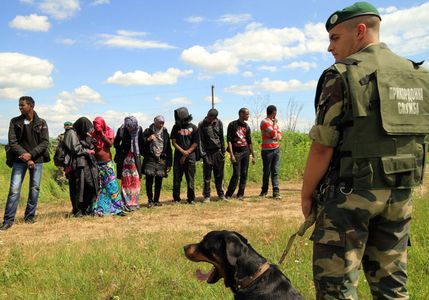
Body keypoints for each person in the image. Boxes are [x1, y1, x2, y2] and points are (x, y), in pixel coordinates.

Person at [300, 2, 429, 299]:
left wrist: (307, 194)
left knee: (337, 289)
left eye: (335, 38)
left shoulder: (341, 74)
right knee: (392, 286)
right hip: (399, 196)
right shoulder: (418, 75)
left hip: (349, 199)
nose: (329, 48)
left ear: (359, 31)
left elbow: (322, 147)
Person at [0, 96, 50, 231]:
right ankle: (8, 220)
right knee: (14, 190)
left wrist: (32, 155)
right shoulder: (14, 121)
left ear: (31, 106)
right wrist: (27, 158)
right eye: (19, 105)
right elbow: (13, 142)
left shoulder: (42, 123)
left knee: (35, 189)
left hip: (37, 160)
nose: (20, 107)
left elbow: (45, 142)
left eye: (23, 105)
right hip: (19, 160)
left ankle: (29, 217)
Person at [63, 117, 99, 217]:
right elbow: (75, 148)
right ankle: (77, 211)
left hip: (85, 164)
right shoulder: (71, 133)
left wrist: (91, 141)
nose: (88, 131)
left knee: (89, 186)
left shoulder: (81, 133)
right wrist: (87, 151)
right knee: (77, 188)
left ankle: (85, 209)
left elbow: (89, 145)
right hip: (75, 165)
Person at [92, 116, 125, 216]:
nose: (96, 128)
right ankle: (101, 209)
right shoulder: (93, 134)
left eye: (97, 125)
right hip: (97, 164)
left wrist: (101, 133)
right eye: (94, 125)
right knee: (100, 187)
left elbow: (110, 144)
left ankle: (117, 208)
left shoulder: (108, 131)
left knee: (112, 186)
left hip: (107, 164)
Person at [141, 115, 172, 207]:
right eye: (160, 122)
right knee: (149, 180)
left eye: (163, 122)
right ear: (155, 122)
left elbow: (169, 148)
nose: (161, 124)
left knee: (159, 179)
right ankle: (150, 200)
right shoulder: (148, 131)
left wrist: (169, 163)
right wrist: (148, 139)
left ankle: (156, 200)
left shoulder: (165, 132)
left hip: (161, 158)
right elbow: (141, 143)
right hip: (150, 158)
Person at [225, 107, 255, 201]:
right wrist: (232, 154)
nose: (248, 116)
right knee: (236, 174)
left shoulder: (247, 127)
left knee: (244, 173)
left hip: (245, 151)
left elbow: (249, 141)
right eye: (247, 114)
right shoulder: (232, 125)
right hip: (236, 152)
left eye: (248, 114)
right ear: (241, 114)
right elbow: (229, 140)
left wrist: (253, 155)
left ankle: (240, 194)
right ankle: (228, 194)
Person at [114, 116, 143, 211]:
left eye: (131, 126)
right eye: (128, 126)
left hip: (135, 159)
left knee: (135, 181)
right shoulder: (121, 129)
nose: (129, 128)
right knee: (126, 182)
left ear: (135, 125)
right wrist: (121, 151)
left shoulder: (139, 129)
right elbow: (116, 143)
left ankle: (134, 202)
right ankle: (126, 202)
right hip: (124, 160)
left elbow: (141, 142)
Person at [171, 107, 199, 204]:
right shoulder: (176, 127)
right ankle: (176, 199)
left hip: (190, 157)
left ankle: (191, 198)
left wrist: (186, 153)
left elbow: (195, 143)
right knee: (177, 178)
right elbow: (173, 142)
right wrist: (183, 152)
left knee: (190, 178)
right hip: (178, 157)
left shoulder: (194, 128)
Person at [198, 108, 226, 203]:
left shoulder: (219, 123)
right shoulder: (202, 124)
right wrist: (203, 155)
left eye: (211, 116)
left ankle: (221, 195)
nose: (208, 117)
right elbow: (200, 140)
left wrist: (223, 152)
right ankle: (206, 196)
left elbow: (222, 138)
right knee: (207, 176)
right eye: (208, 115)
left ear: (215, 117)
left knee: (219, 175)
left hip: (218, 152)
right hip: (207, 153)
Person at [259, 105, 282, 199]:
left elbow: (279, 135)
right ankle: (264, 191)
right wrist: (275, 129)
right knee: (267, 171)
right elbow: (274, 133)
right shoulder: (264, 122)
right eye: (275, 112)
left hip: (276, 149)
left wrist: (275, 134)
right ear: (274, 112)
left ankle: (276, 192)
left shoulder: (274, 123)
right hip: (267, 150)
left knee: (275, 171)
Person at [53, 121, 74, 188]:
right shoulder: (74, 136)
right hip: (69, 158)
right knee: (64, 173)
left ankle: (62, 187)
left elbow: (55, 147)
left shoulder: (61, 136)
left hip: (63, 158)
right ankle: (62, 188)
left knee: (62, 173)